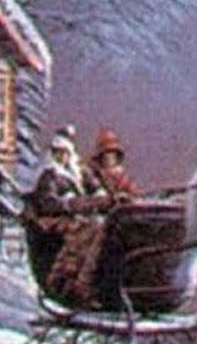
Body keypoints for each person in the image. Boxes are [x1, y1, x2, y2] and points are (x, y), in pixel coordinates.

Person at [32, 126, 111, 307]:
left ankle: (101, 281)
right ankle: (71, 283)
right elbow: (48, 203)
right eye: (58, 153)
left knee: (103, 227)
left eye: (65, 153)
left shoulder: (79, 171)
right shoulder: (49, 176)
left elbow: (96, 188)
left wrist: (101, 197)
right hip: (58, 220)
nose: (62, 157)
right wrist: (73, 203)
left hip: (84, 216)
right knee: (86, 230)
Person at [85, 127, 140, 201]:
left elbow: (134, 192)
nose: (110, 157)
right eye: (107, 154)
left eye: (113, 154)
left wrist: (127, 195)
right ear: (101, 157)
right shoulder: (95, 174)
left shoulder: (122, 176)